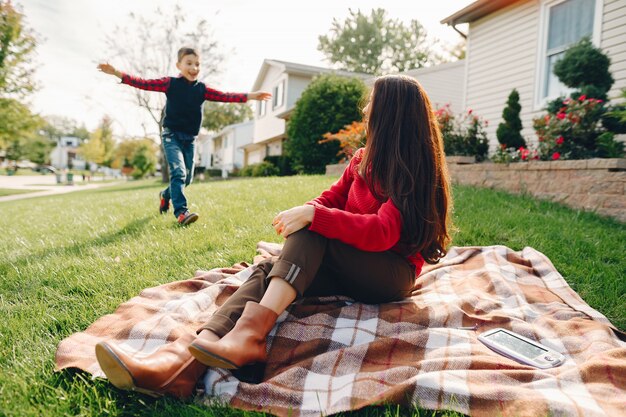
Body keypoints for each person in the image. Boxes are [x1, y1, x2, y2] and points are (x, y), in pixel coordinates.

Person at [95, 74, 453, 397]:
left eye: (371, 101)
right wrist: (307, 211)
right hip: (352, 261)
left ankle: (247, 337)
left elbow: (382, 234)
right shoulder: (362, 159)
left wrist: (314, 217)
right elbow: (329, 199)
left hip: (390, 273)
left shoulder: (412, 167)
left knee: (315, 227)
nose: (365, 107)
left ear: (389, 112)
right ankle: (184, 362)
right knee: (269, 271)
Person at [97, 47, 271, 226]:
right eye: (189, 63)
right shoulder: (170, 83)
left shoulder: (202, 89)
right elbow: (144, 83)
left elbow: (225, 96)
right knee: (179, 173)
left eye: (197, 64)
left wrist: (251, 96)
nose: (194, 68)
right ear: (178, 65)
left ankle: (165, 196)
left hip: (190, 139)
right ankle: (181, 212)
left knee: (187, 179)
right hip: (171, 135)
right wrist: (117, 73)